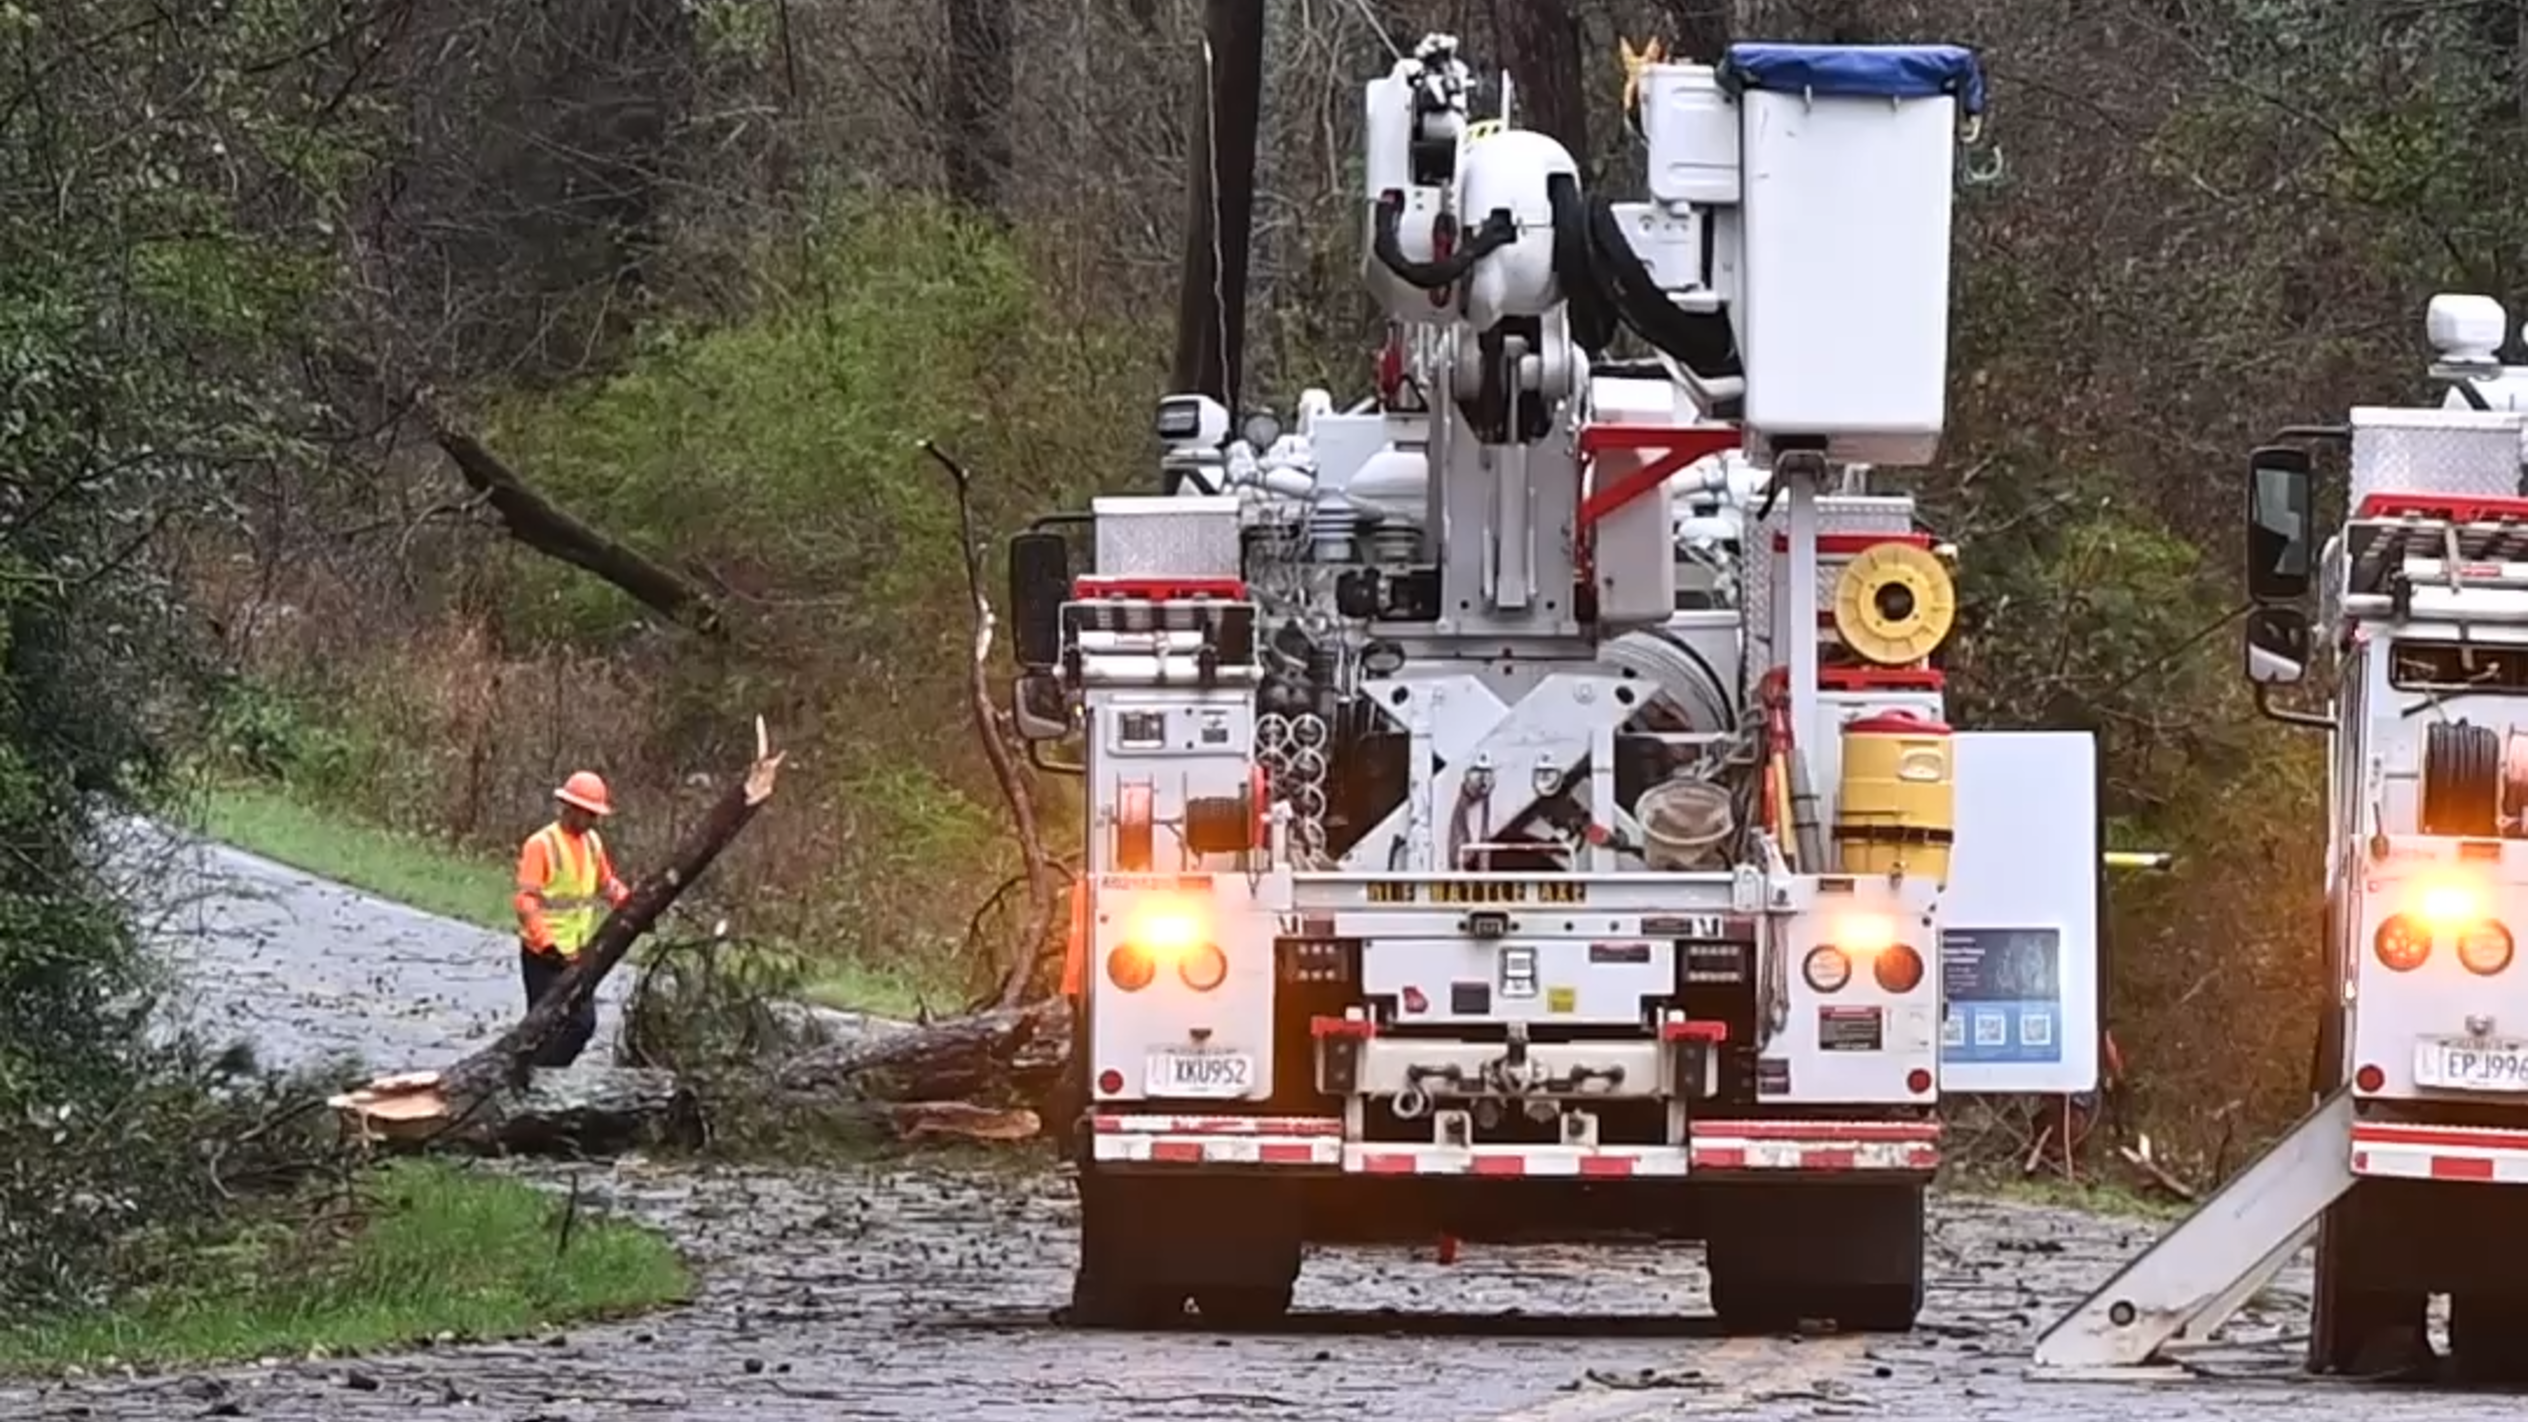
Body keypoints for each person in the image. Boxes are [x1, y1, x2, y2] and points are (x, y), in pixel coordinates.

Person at [512, 771, 632, 1067]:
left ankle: (545, 1076)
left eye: (595, 814)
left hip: (577, 954)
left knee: (582, 1024)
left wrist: (631, 904)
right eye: (588, 813)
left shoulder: (592, 843)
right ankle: (530, 1076)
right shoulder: (541, 844)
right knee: (541, 1027)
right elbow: (526, 901)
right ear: (570, 808)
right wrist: (546, 943)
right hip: (543, 956)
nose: (593, 820)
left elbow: (607, 883)